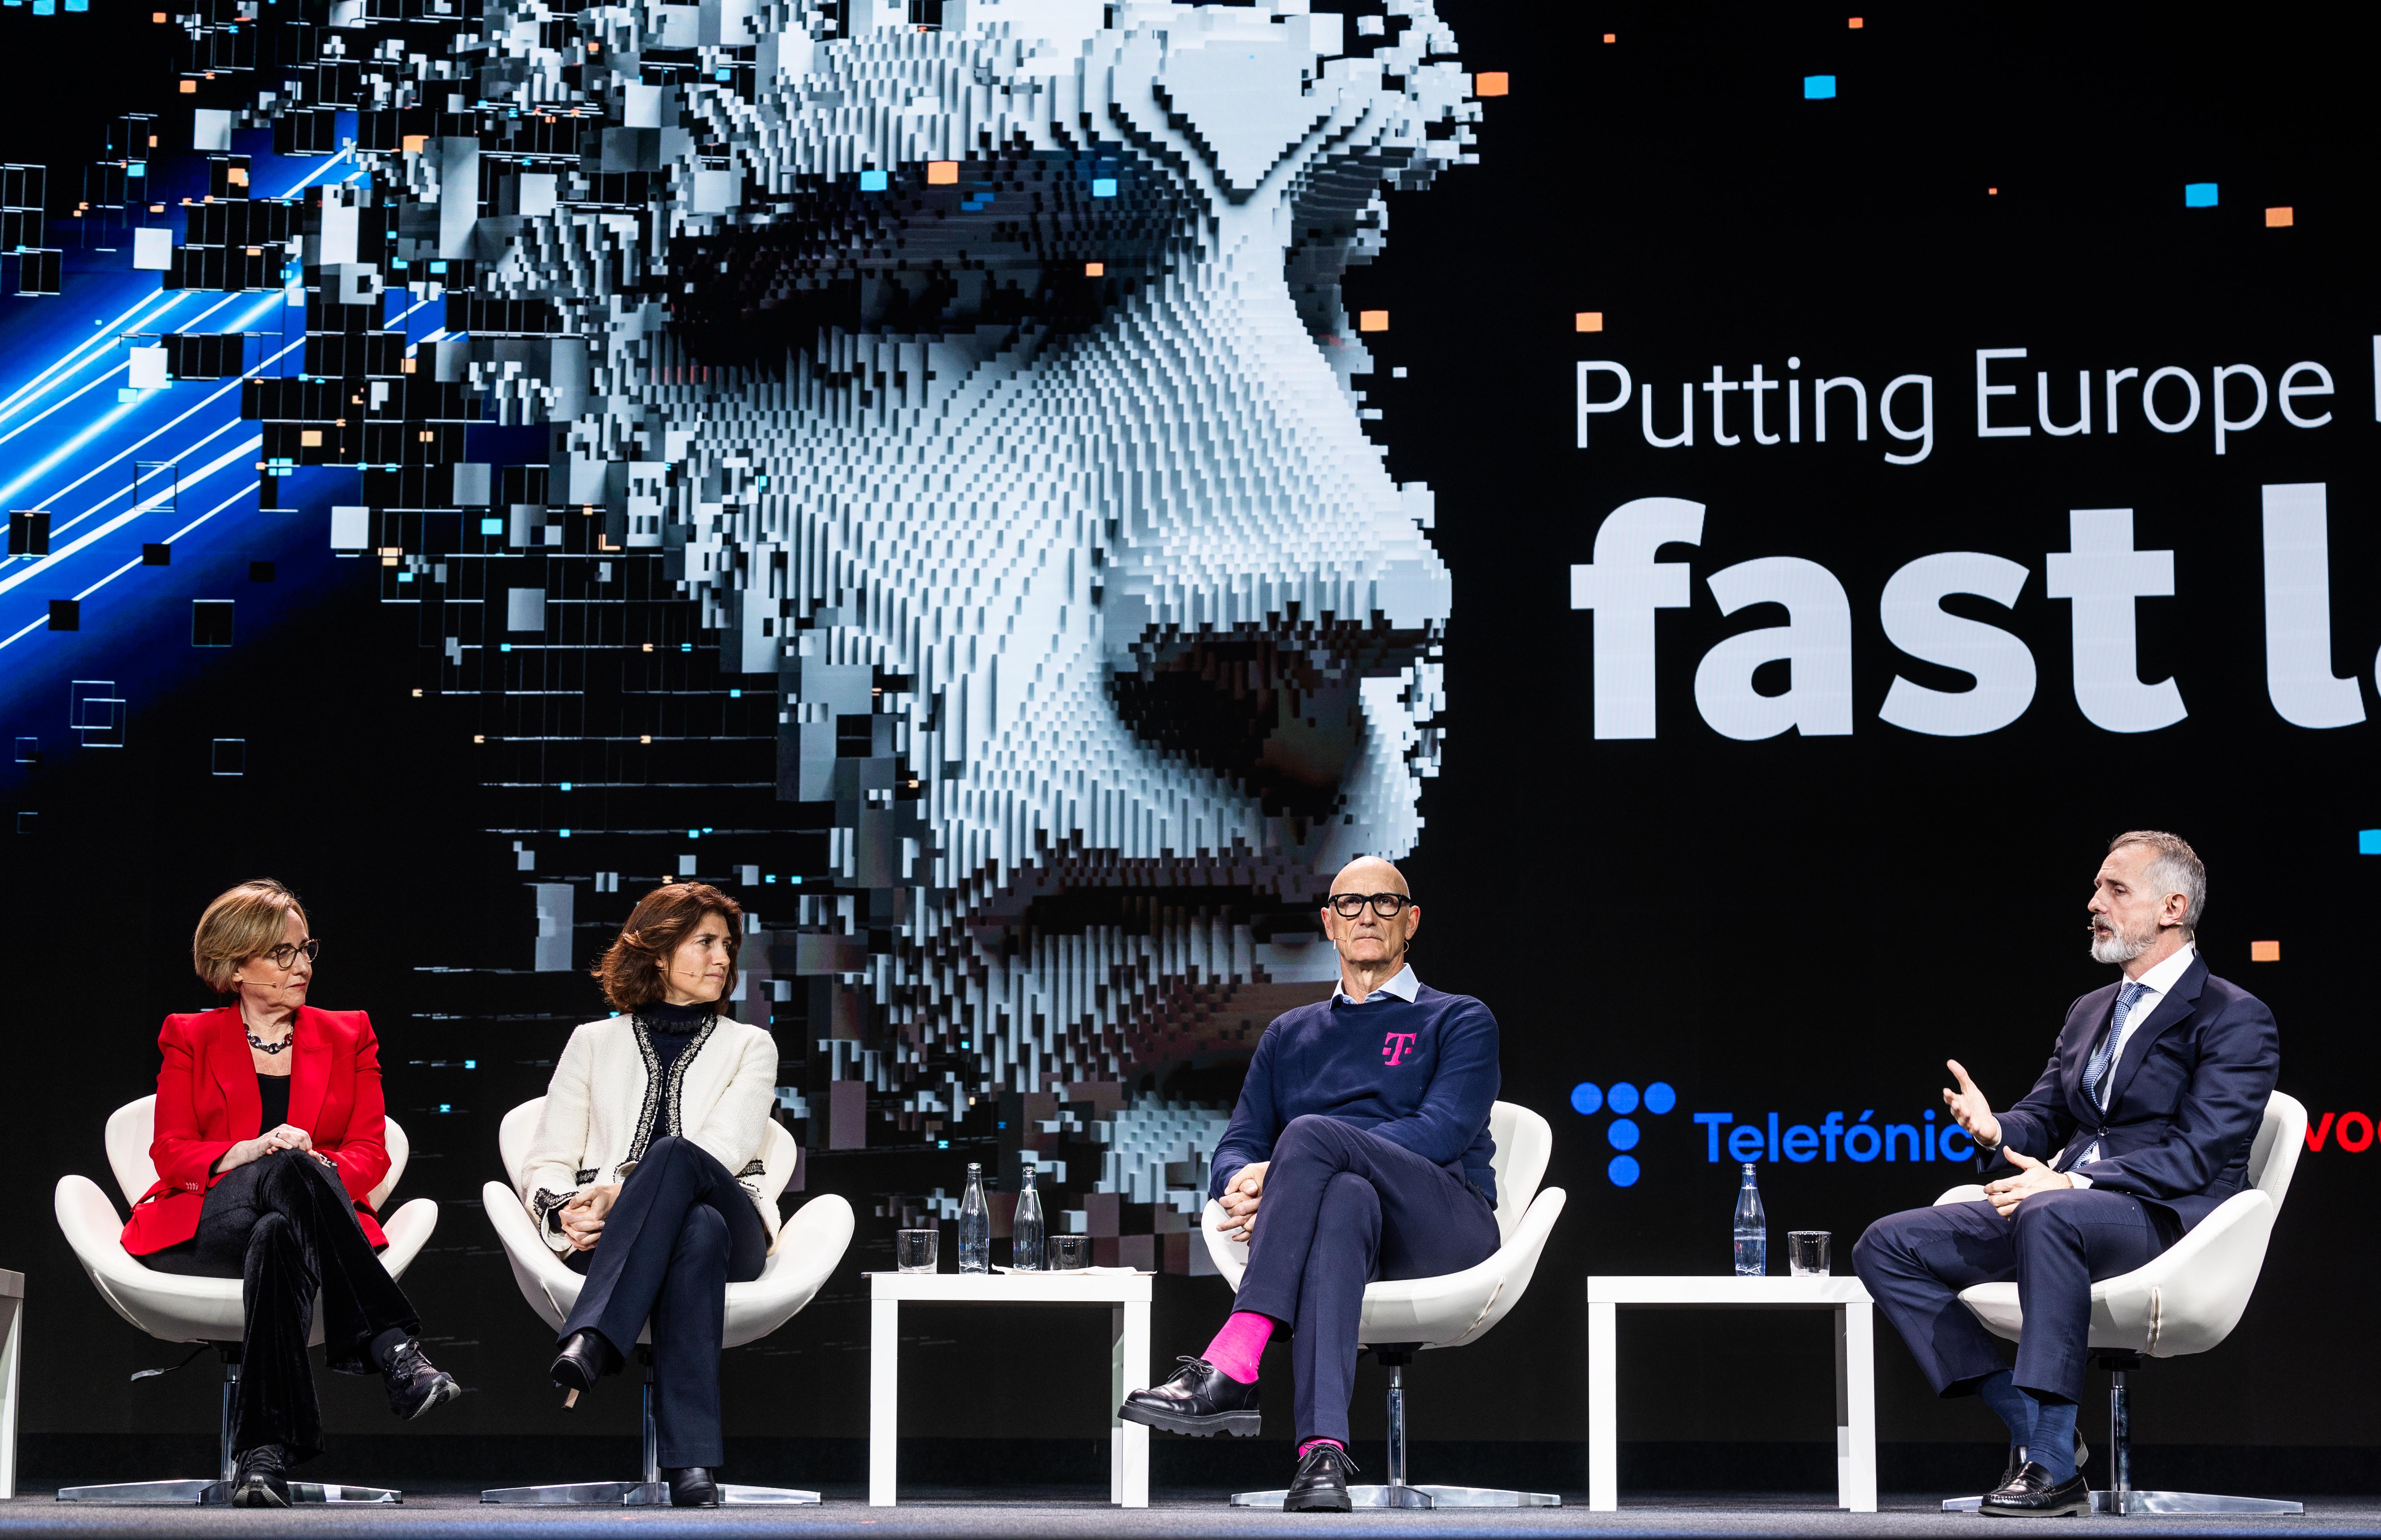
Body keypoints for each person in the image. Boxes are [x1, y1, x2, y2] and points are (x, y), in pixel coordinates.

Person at [1852, 831, 2279, 1518]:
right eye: (2096, 888)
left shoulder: (2234, 1016)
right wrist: (1997, 1130)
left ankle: (2050, 1465)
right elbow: (2046, 1120)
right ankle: (2030, 1420)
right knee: (1887, 1244)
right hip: (2063, 1212)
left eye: (2116, 890)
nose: (2094, 904)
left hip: (2162, 1220)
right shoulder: (2090, 1011)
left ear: (2172, 906)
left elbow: (2199, 1153)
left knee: (2050, 1214)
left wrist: (2074, 1185)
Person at [1117, 856, 1501, 1512]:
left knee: (1310, 1137)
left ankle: (1236, 1360)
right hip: (1345, 1226)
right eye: (1350, 904)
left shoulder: (1459, 1019)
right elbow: (1239, 1141)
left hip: (1441, 1227)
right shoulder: (1289, 1034)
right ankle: (1321, 1457)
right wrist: (1241, 1179)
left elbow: (1440, 1135)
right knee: (1342, 1198)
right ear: (1329, 923)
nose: (1368, 916)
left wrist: (1295, 1160)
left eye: (1386, 903)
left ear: (1411, 922)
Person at [122, 879, 460, 1508]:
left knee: (279, 1231)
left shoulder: (349, 1033)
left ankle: (264, 1456)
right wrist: (251, 1152)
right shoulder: (188, 1037)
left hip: (299, 1228)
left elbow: (369, 1152)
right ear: (234, 964)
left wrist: (312, 1163)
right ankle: (394, 1346)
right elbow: (170, 1152)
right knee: (280, 1168)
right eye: (282, 953)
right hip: (206, 1223)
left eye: (307, 950)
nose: (302, 965)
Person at [516, 882, 783, 1508]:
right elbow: (548, 1157)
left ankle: (594, 1336)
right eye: (705, 943)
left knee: (679, 1159)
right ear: (659, 953)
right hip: (619, 1243)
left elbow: (718, 1149)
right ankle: (692, 1467)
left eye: (728, 945)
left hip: (735, 1224)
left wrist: (615, 1191)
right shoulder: (591, 1042)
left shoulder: (751, 1046)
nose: (723, 958)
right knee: (694, 1233)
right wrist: (568, 1212)